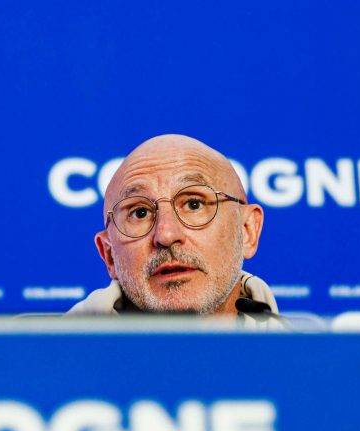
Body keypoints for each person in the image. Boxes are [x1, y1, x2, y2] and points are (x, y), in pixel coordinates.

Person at [67, 134, 284, 328]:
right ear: (109, 255)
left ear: (247, 231)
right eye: (140, 213)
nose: (166, 235)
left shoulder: (309, 365)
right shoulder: (43, 366)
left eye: (193, 204)